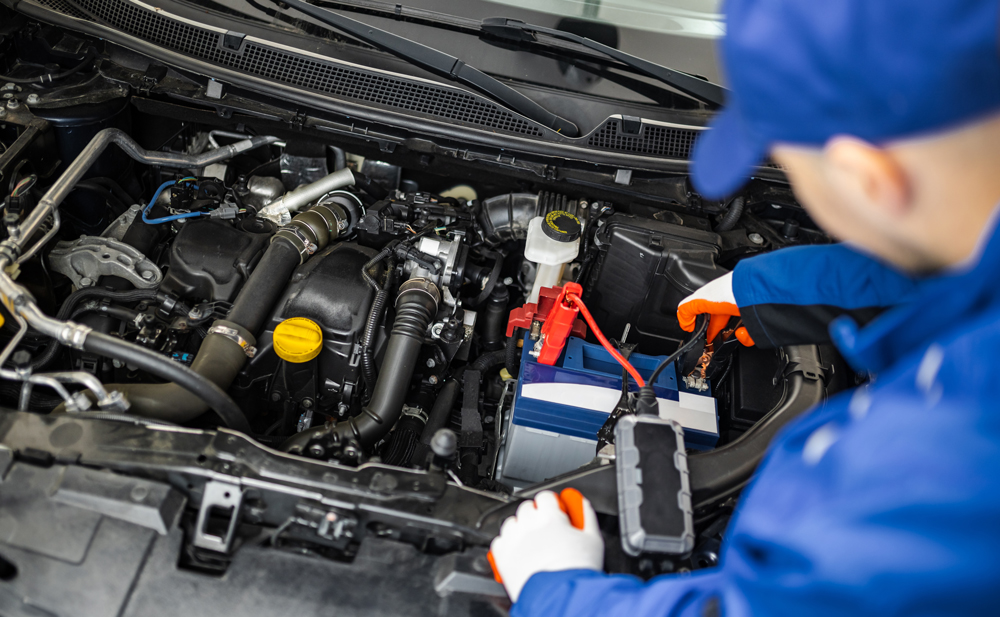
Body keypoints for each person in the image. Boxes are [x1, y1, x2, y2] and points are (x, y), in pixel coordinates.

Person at [488, 0, 1000, 614]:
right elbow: (938, 271)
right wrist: (757, 291)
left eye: (787, 158)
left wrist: (557, 589)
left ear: (868, 178)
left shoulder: (946, 463)